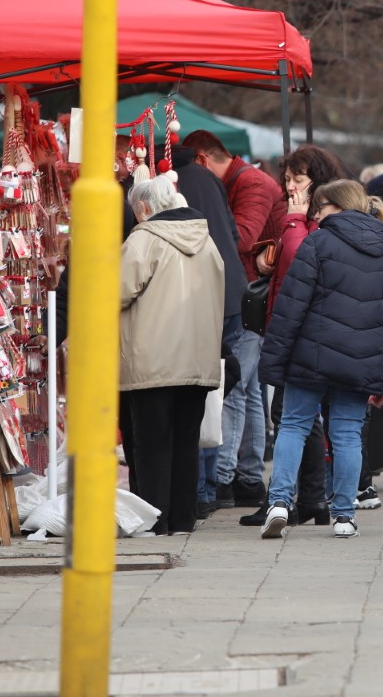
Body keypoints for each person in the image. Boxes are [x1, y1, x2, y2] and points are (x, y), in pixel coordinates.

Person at [257, 180, 383, 538]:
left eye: (321, 208)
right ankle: (344, 515)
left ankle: (279, 501)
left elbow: (290, 307)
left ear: (338, 207)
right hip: (362, 360)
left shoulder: (318, 243)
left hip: (311, 356)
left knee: (294, 425)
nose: (316, 214)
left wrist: (275, 360)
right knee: (347, 434)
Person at [239, 144, 352, 527]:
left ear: (317, 183)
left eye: (297, 180)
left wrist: (292, 223)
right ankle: (312, 499)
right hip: (292, 324)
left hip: (305, 330)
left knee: (292, 414)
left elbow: (301, 257)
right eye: (287, 179)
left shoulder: (317, 219)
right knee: (299, 415)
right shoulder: (302, 215)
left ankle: (295, 498)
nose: (290, 188)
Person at [183, 130, 285, 510]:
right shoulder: (241, 181)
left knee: (235, 389)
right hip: (250, 295)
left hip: (248, 298)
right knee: (250, 390)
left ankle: (224, 478)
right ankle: (247, 476)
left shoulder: (253, 184)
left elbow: (240, 237)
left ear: (202, 161)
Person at [119, 175, 225, 535]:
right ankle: (183, 517)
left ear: (144, 208)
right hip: (198, 361)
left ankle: (155, 521)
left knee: (151, 446)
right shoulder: (207, 240)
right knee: (185, 443)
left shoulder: (144, 240)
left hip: (153, 360)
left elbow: (115, 292)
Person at [156, 146, 249, 517]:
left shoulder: (167, 189)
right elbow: (235, 234)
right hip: (231, 293)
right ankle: (214, 483)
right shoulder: (210, 179)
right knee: (222, 388)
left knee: (195, 388)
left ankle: (201, 489)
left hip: (194, 300)